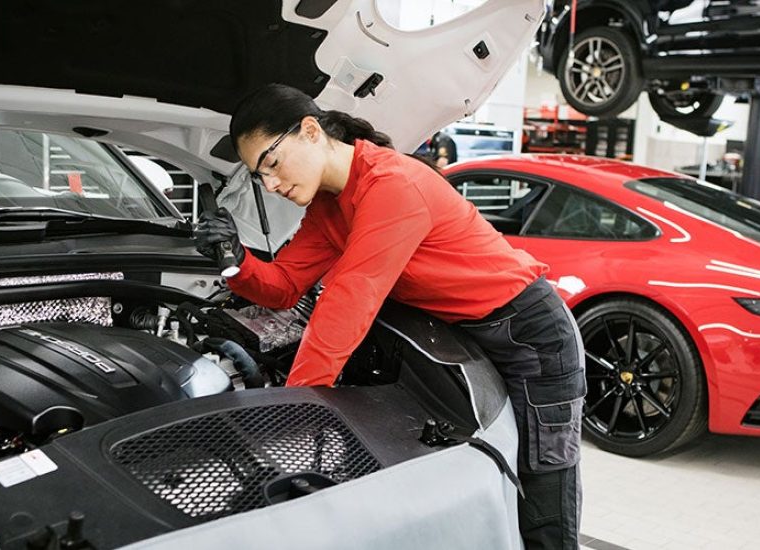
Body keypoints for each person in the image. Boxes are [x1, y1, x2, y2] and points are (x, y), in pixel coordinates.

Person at [195, 83, 585, 550]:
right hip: (459, 342)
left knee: (543, 487)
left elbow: (350, 300)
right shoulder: (327, 206)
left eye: (272, 164)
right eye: (260, 178)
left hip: (529, 336)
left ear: (311, 131)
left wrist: (291, 408)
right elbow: (282, 286)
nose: (272, 185)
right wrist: (235, 259)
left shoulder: (391, 184)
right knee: (492, 485)